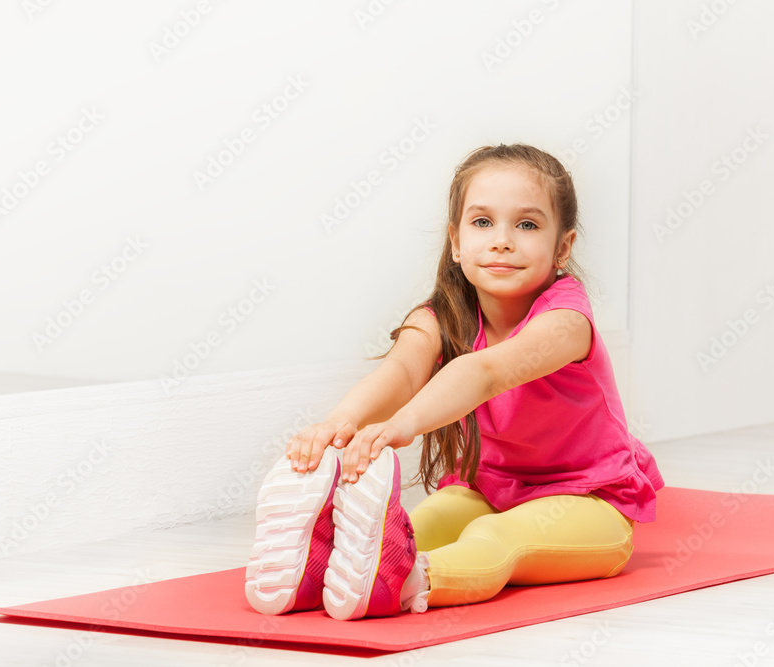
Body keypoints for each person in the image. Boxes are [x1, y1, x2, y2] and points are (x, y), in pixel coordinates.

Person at [244, 143, 664, 620]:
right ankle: (319, 570)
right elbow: (400, 372)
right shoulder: (438, 318)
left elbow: (485, 372)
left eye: (526, 225)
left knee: (497, 539)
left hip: (590, 501)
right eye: (482, 222)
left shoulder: (566, 323)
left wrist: (402, 427)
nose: (502, 240)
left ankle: (403, 582)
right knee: (419, 523)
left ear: (562, 247)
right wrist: (339, 424)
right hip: (489, 491)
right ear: (456, 241)